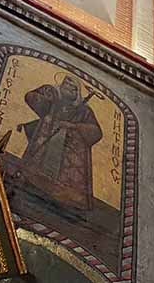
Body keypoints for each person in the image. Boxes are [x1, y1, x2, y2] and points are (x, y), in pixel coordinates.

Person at [18, 75, 104, 212]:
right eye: (65, 84)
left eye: (72, 86)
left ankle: (61, 200)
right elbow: (31, 97)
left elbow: (96, 132)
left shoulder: (84, 110)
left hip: (68, 146)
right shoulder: (52, 95)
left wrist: (73, 126)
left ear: (77, 92)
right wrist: (45, 97)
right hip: (47, 137)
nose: (68, 87)